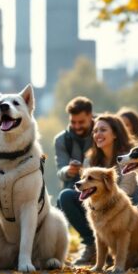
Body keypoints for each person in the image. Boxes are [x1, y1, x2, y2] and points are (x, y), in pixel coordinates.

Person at [59, 114, 138, 265]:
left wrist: (105, 199)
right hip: (99, 204)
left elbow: (127, 188)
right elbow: (88, 188)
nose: (97, 134)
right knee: (66, 197)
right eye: (95, 131)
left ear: (115, 134)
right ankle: (92, 245)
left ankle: (125, 252)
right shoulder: (90, 158)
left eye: (103, 130)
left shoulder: (129, 157)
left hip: (127, 205)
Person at [54, 96, 95, 265]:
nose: (77, 127)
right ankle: (90, 243)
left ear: (91, 116)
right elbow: (60, 170)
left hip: (98, 185)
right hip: (74, 185)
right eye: (73, 122)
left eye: (81, 122)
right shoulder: (62, 139)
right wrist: (69, 171)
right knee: (62, 200)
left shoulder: (102, 130)